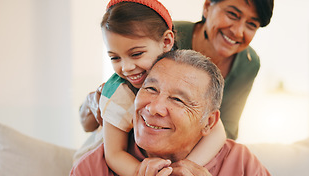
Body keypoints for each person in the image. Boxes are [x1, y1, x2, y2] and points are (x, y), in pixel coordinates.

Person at [49, 50, 308, 176]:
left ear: (209, 123)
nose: (154, 108)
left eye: (179, 100)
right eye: (150, 89)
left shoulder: (240, 164)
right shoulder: (93, 170)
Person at [91, 0, 227, 176]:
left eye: (136, 54)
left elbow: (218, 132)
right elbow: (114, 155)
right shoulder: (117, 93)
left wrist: (181, 174)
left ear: (166, 41)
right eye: (114, 58)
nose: (126, 67)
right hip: (105, 155)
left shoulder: (184, 72)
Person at [80, 0, 274, 140]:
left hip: (189, 145)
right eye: (232, 14)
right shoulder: (163, 38)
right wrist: (94, 102)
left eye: (251, 24)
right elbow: (119, 89)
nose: (238, 31)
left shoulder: (249, 63)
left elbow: (228, 128)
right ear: (207, 6)